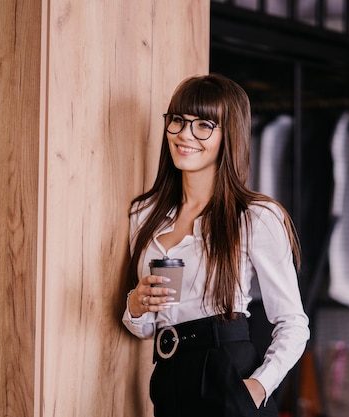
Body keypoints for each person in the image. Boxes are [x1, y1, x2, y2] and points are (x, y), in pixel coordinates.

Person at [122, 73, 310, 417]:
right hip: (167, 376)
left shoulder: (256, 216)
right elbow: (147, 326)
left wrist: (258, 386)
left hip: (227, 373)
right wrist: (135, 304)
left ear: (229, 135)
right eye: (178, 120)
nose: (184, 135)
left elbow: (294, 324)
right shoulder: (145, 214)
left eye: (204, 125)